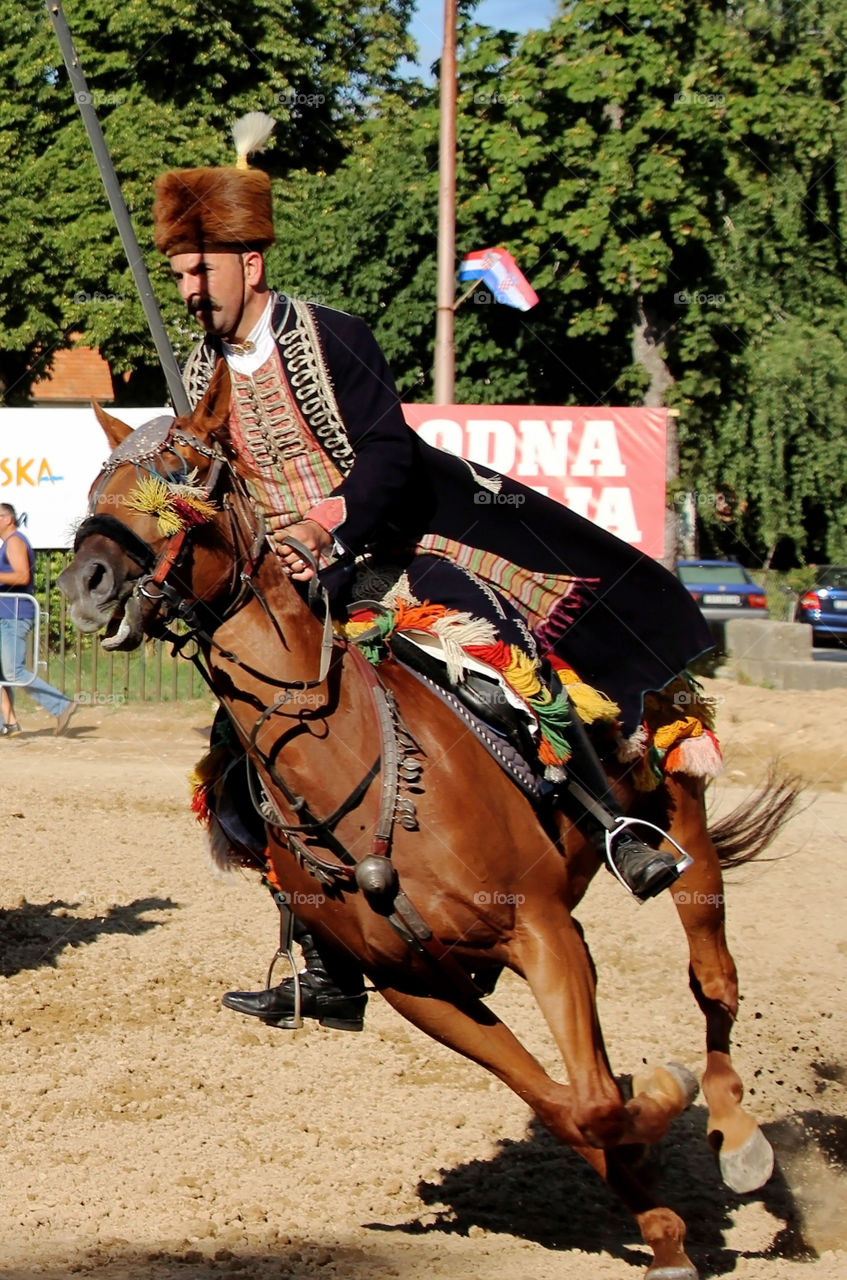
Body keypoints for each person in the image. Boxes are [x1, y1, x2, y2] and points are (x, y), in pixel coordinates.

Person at [152, 114, 714, 1032]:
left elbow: (389, 453)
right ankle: (323, 961)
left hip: (393, 562)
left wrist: (331, 518)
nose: (186, 288)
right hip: (300, 600)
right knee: (243, 764)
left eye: (196, 270)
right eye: (176, 273)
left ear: (248, 264)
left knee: (503, 672)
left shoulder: (331, 336)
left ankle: (617, 828)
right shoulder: (200, 370)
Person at [0, 504, 76, 737]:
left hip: (13, 615)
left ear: (8, 519)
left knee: (13, 672)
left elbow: (22, 575)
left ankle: (62, 705)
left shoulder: (14, 541)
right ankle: (8, 723)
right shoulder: (9, 543)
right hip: (6, 614)